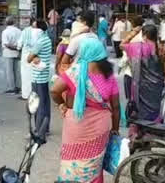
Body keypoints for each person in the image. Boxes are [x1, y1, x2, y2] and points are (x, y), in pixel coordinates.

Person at [51, 38, 120, 183]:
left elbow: (54, 90)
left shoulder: (74, 72)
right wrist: (115, 129)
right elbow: (116, 107)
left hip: (76, 126)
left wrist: (62, 105)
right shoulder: (109, 76)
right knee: (94, 164)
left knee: (72, 159)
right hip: (100, 128)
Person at [122, 24, 165, 122]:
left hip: (142, 87)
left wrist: (134, 32)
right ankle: (155, 124)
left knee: (142, 110)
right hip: (158, 85)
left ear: (144, 35)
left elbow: (122, 44)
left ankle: (142, 126)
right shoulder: (163, 49)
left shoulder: (138, 47)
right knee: (156, 106)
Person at [28, 20, 52, 133]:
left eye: (34, 28)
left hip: (38, 77)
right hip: (44, 76)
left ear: (39, 29)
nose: (32, 30)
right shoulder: (47, 39)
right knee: (45, 103)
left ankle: (38, 130)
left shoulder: (40, 42)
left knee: (38, 105)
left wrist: (32, 57)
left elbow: (29, 58)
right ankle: (45, 128)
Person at [1, 17, 21, 94]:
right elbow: (21, 43)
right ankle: (18, 86)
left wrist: (13, 48)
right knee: (16, 71)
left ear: (6, 23)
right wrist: (17, 48)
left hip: (8, 53)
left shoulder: (5, 32)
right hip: (17, 52)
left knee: (9, 71)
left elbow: (6, 44)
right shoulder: (19, 31)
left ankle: (11, 87)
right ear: (14, 22)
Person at [18, 17, 36, 100]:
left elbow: (19, 44)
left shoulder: (25, 31)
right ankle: (35, 93)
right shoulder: (40, 31)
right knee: (35, 75)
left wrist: (18, 48)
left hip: (26, 55)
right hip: (36, 55)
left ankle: (25, 95)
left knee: (25, 75)